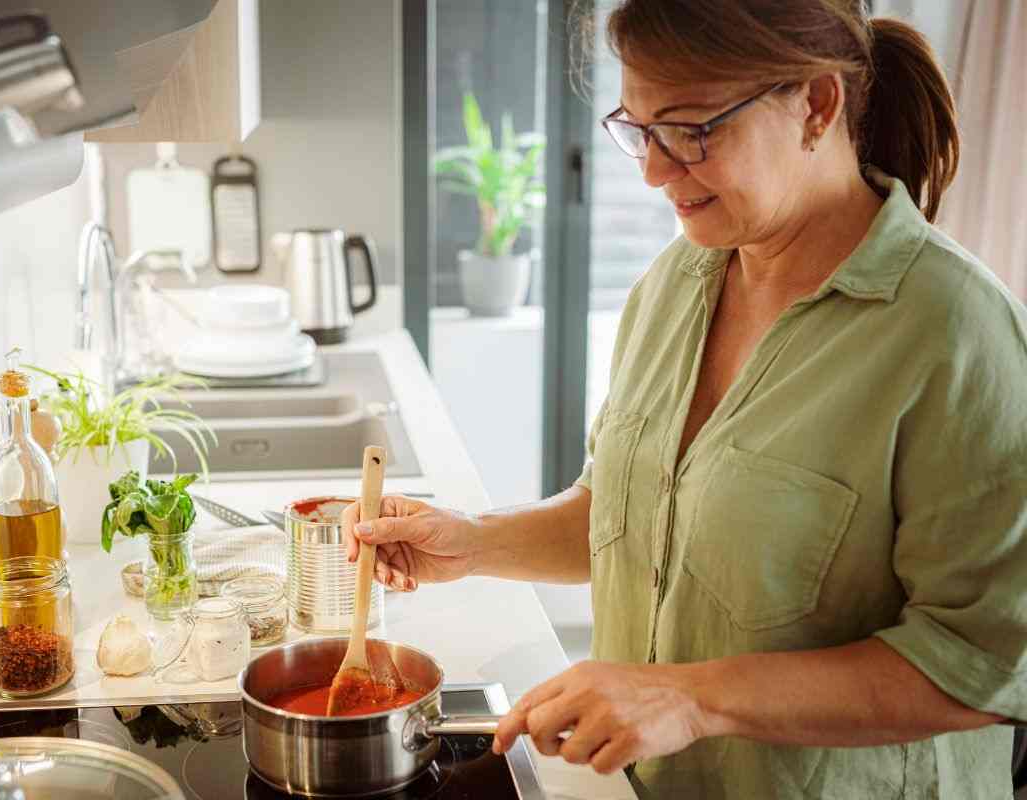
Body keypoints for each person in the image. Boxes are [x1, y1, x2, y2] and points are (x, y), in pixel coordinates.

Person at [343, 0, 1027, 797]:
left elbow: (983, 666)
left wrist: (693, 698)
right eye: (638, 129)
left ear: (815, 103)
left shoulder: (955, 334)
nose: (653, 171)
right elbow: (630, 519)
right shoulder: (676, 282)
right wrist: (473, 541)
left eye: (692, 130)